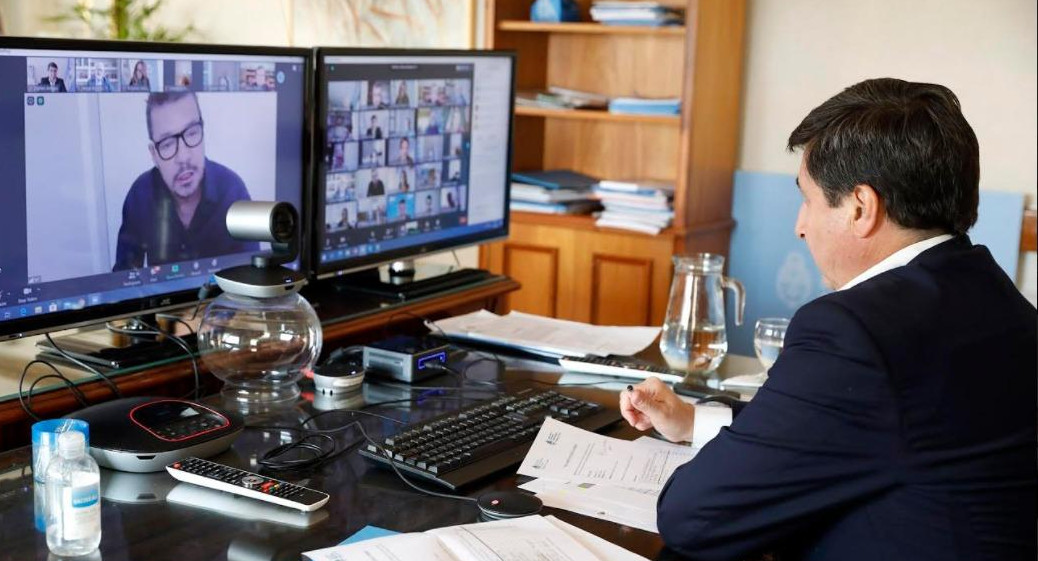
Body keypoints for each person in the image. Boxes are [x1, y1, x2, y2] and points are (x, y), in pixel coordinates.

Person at [621, 78, 1037, 561]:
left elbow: (693, 517)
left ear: (862, 208)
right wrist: (698, 421)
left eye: (809, 200)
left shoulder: (855, 331)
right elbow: (860, 430)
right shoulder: (995, 296)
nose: (800, 225)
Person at [113, 91, 257, 271]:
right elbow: (124, 277)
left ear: (203, 132)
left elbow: (252, 276)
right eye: (167, 143)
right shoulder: (139, 196)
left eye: (191, 133)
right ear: (154, 154)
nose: (183, 157)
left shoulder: (234, 193)